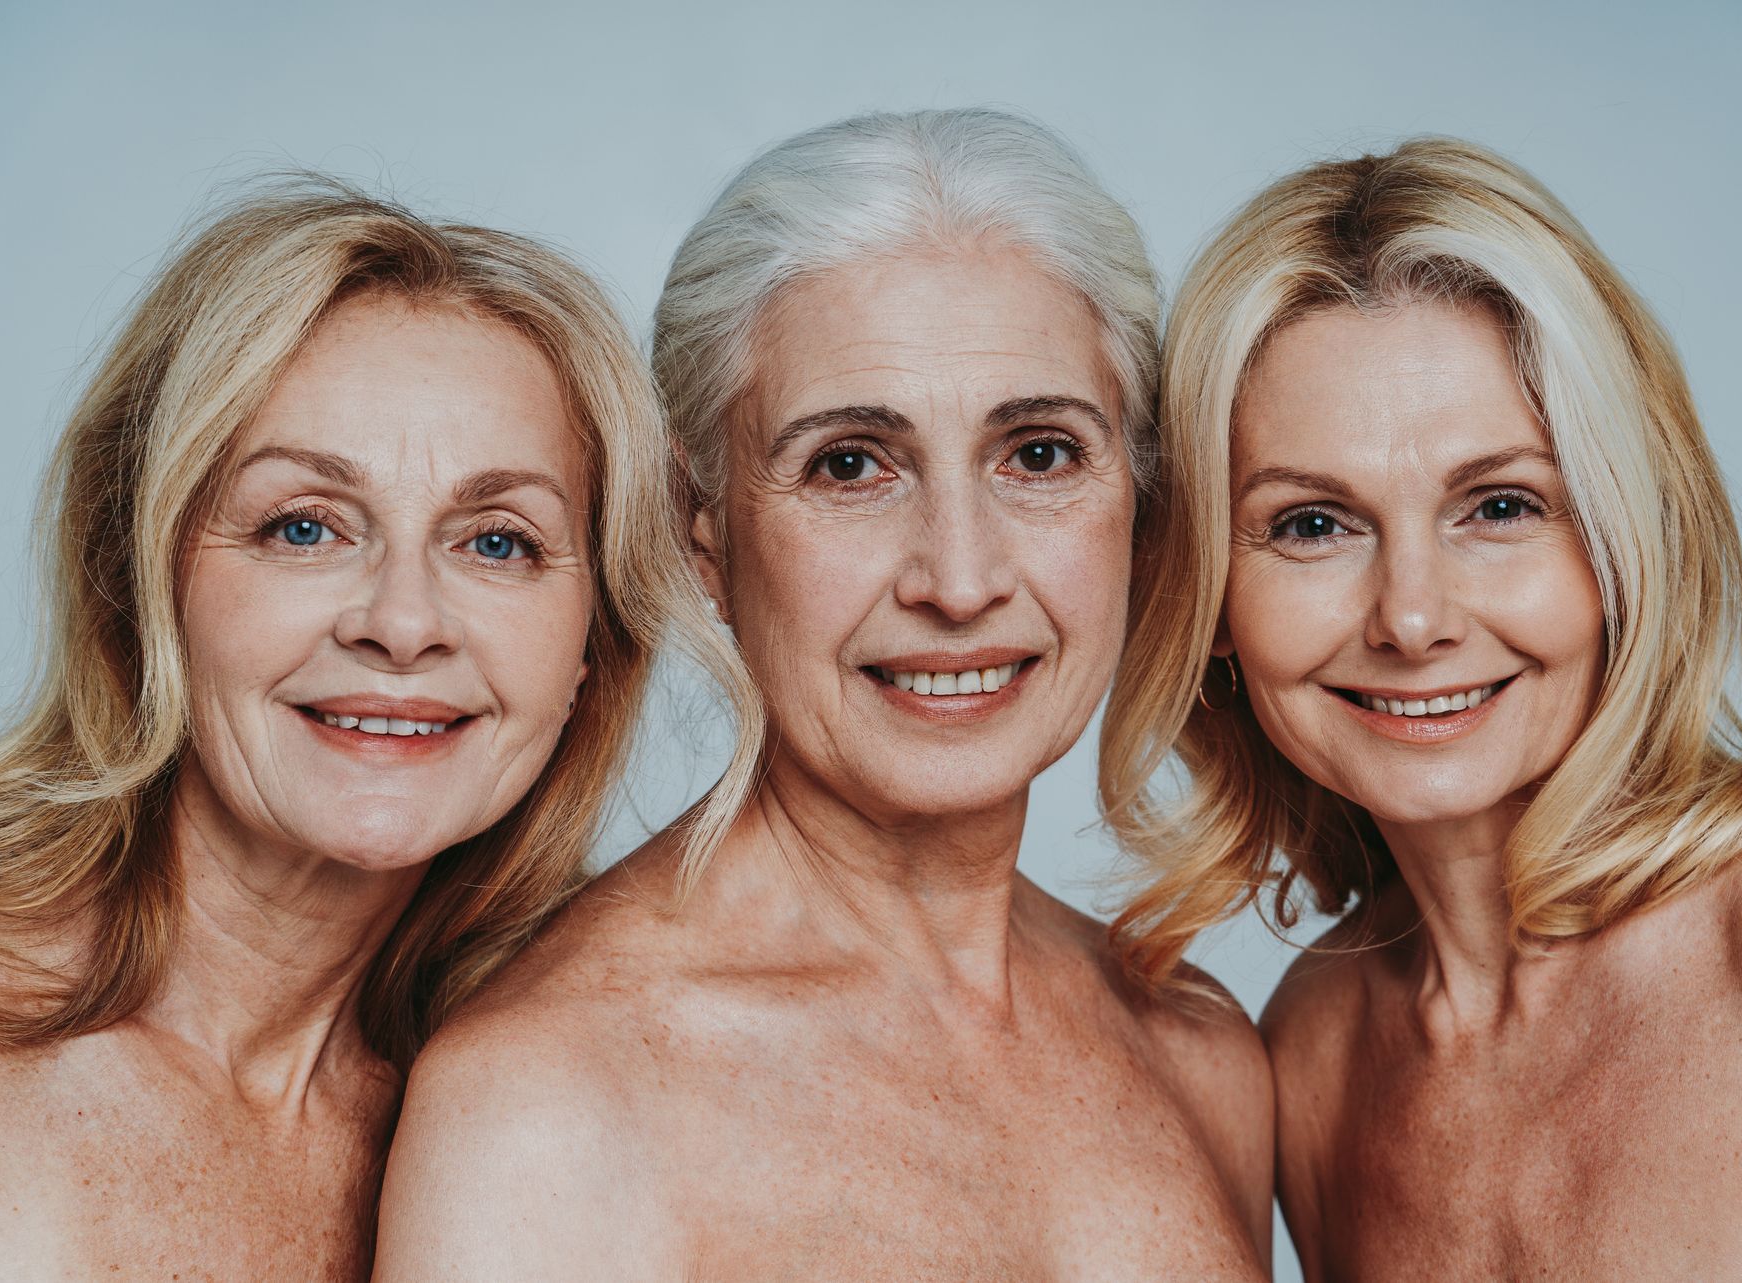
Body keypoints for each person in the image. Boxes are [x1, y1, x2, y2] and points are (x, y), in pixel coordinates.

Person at [376, 108, 1273, 1281]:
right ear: (706, 536)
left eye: (1040, 454)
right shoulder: (550, 1103)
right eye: (849, 463)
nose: (959, 579)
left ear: (1140, 506)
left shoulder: (1200, 1050)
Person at [1101, 137, 1742, 1278]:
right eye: (1313, 524)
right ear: (1208, 595)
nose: (1412, 617)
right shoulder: (1314, 1057)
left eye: (1499, 505)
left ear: (1622, 543)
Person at [0, 178, 698, 1279]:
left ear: (591, 651)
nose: (401, 622)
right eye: (305, 525)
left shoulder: (549, 1128)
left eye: (497, 542)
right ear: (141, 576)